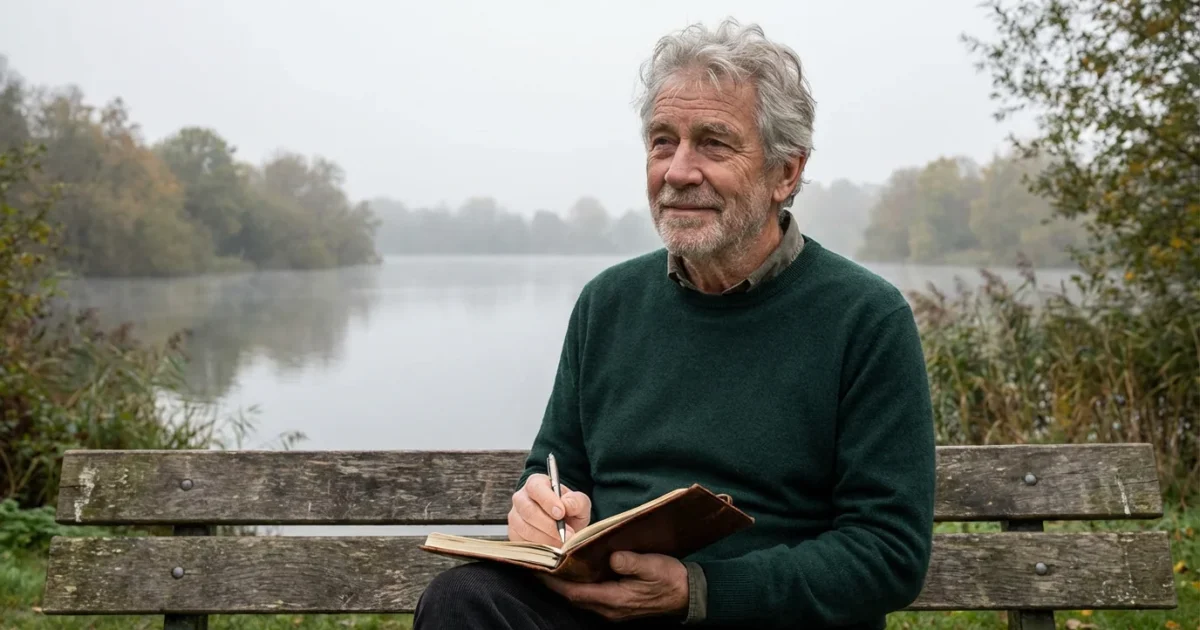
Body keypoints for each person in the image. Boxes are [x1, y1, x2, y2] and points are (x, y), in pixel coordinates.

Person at [413, 18, 935, 630]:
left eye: (713, 143)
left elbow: (890, 553)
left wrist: (702, 592)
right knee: (463, 600)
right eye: (663, 142)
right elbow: (555, 469)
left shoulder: (865, 318)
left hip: (760, 620)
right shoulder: (607, 304)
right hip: (603, 614)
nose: (679, 171)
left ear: (785, 174)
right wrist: (544, 509)